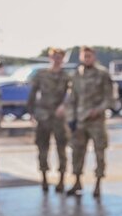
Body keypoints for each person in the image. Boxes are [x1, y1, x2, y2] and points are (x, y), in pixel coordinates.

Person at [66, 46, 113, 197]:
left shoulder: (102, 74)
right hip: (80, 121)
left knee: (99, 152)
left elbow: (109, 98)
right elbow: (72, 99)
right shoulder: (76, 75)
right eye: (84, 56)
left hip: (96, 121)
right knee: (77, 152)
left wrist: (98, 110)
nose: (87, 58)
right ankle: (77, 181)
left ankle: (98, 183)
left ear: (94, 57)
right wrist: (71, 119)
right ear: (81, 57)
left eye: (89, 56)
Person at [26, 47, 71, 193]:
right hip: (43, 115)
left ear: (63, 59)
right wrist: (31, 112)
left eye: (60, 57)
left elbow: (71, 95)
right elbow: (32, 94)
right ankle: (44, 177)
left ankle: (61, 179)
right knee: (42, 147)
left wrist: (64, 106)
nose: (57, 60)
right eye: (54, 57)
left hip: (58, 116)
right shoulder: (41, 74)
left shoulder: (66, 76)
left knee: (61, 148)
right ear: (50, 58)